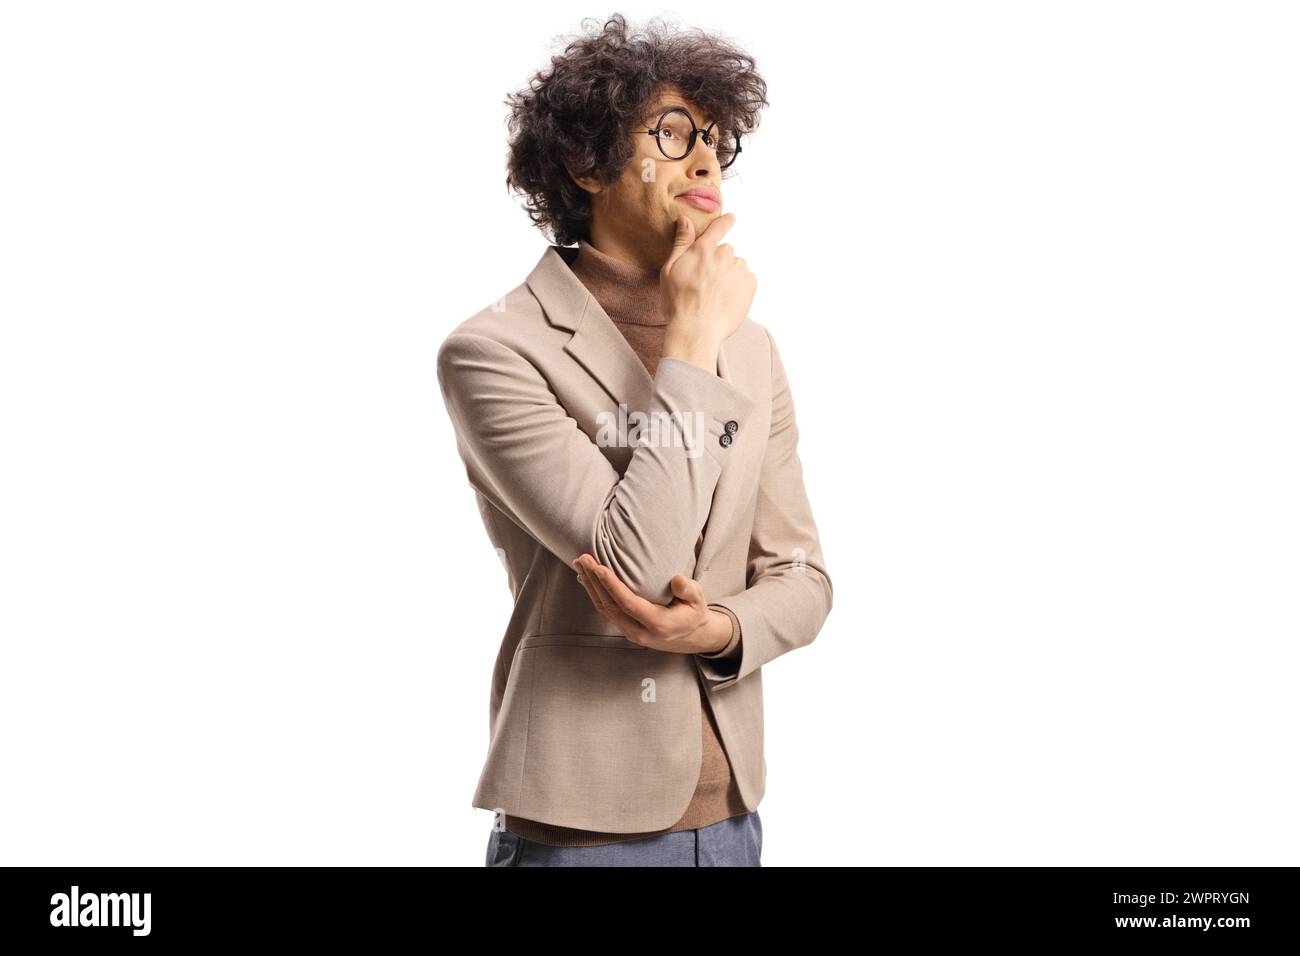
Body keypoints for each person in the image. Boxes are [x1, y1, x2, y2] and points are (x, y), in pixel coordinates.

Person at [436, 14, 833, 867]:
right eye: (673, 132)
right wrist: (688, 346)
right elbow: (639, 566)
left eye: (718, 140)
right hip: (583, 831)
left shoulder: (752, 346)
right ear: (586, 164)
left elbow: (802, 576)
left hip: (731, 821)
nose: (705, 160)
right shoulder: (497, 350)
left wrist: (719, 630)